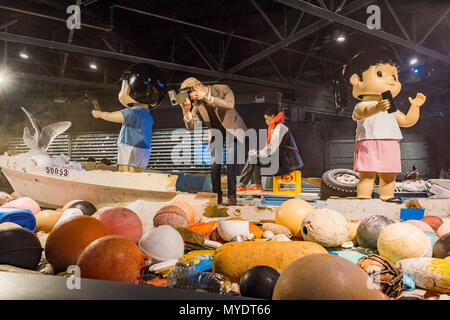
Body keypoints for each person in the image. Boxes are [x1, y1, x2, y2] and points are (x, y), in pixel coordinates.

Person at [335, 46, 426, 201]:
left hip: (390, 142)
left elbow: (406, 121)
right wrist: (377, 107)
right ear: (357, 80)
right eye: (380, 73)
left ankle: (387, 197)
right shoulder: (362, 105)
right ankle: (363, 197)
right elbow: (360, 113)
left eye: (395, 77)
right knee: (367, 175)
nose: (391, 80)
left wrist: (415, 107)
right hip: (368, 141)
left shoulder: (391, 107)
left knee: (389, 175)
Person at [179, 77, 247, 205]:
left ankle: (232, 197)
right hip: (216, 132)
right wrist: (186, 112)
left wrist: (206, 97)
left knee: (231, 162)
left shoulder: (221, 89)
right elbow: (193, 127)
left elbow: (229, 104)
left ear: (199, 84)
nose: (191, 96)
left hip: (233, 128)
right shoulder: (197, 104)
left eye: (191, 91)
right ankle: (217, 197)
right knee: (214, 164)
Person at [91, 63, 166, 172]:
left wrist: (99, 114)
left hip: (129, 146)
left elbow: (112, 116)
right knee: (138, 174)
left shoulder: (132, 113)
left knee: (126, 174)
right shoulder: (148, 116)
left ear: (129, 88)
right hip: (145, 149)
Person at [237, 107, 304, 191]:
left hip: (287, 162)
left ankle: (241, 185)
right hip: (280, 159)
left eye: (267, 119)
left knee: (253, 158)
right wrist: (256, 153)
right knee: (255, 159)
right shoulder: (273, 128)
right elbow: (268, 148)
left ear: (272, 116)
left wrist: (256, 153)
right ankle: (257, 186)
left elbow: (272, 149)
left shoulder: (280, 128)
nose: (266, 121)